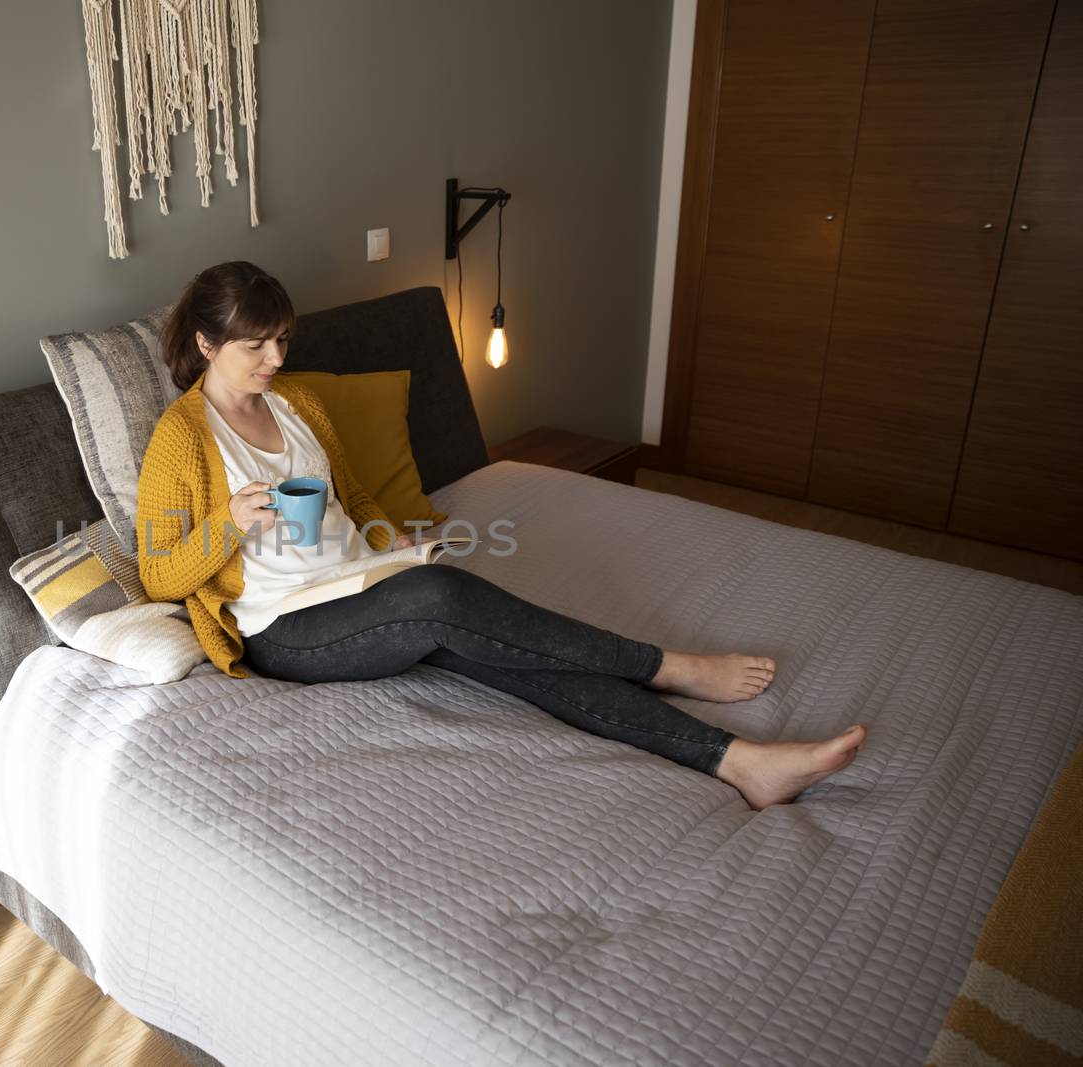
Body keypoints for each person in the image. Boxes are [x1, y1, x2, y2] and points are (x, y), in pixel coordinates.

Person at [135, 261, 866, 810]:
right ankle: (666, 665)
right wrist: (228, 524)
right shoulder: (181, 439)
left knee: (512, 656)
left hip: (364, 582)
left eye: (282, 341)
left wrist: (392, 541)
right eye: (255, 347)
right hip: (284, 626)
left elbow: (350, 495)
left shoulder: (295, 402)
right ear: (205, 343)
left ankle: (737, 760)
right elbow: (160, 573)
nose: (275, 360)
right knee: (443, 595)